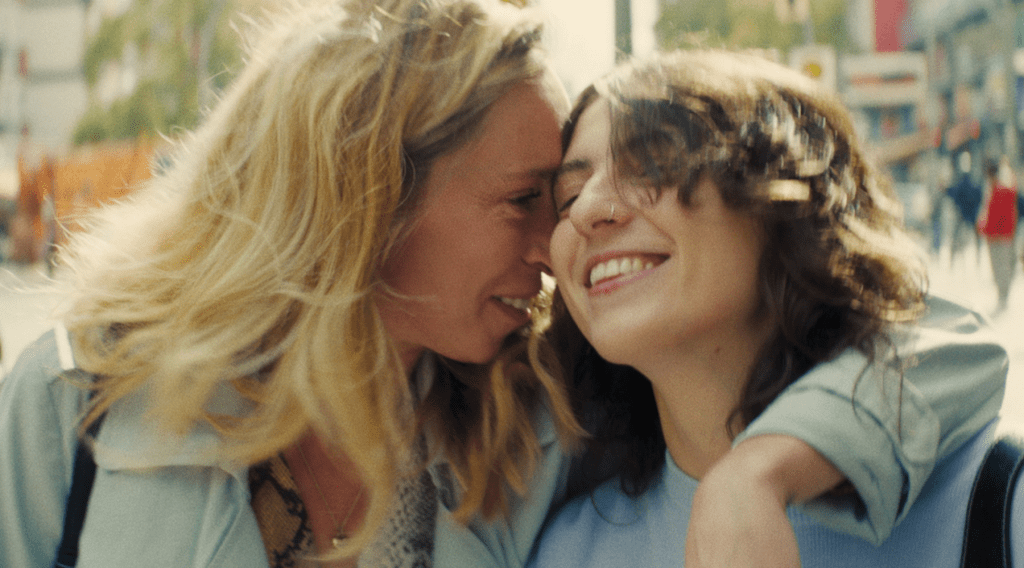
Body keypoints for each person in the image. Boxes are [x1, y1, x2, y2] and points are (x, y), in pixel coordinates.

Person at [0, 2, 1005, 567]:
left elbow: (925, 339)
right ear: (371, 198)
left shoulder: (534, 415)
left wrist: (760, 473)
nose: (557, 240)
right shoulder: (75, 405)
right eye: (532, 198)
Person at [528, 49, 1015, 567]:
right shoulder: (562, 553)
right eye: (568, 196)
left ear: (785, 204)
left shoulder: (997, 509)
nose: (587, 210)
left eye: (651, 165)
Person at [977, 156, 1019, 313]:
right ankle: (1003, 295)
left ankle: (1003, 295)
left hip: (997, 235)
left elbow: (989, 213)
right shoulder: (1001, 190)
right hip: (1000, 235)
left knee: (999, 267)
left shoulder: (997, 190)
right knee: (1001, 266)